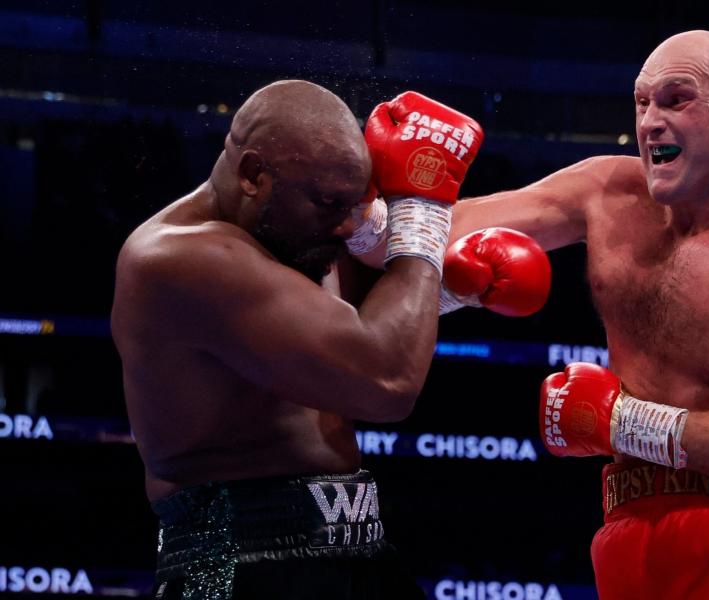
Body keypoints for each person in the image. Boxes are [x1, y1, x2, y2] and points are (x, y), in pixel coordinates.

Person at [444, 30, 709, 600]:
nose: (650, 122)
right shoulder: (605, 192)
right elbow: (432, 235)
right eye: (642, 102)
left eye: (675, 99)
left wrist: (623, 424)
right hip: (626, 520)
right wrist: (379, 205)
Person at [111, 80, 548, 599]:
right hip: (237, 562)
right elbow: (386, 381)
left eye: (352, 204)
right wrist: (422, 212)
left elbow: (350, 325)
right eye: (328, 203)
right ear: (253, 175)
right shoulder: (179, 259)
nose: (346, 227)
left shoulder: (290, 240)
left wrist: (452, 290)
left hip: (355, 549)